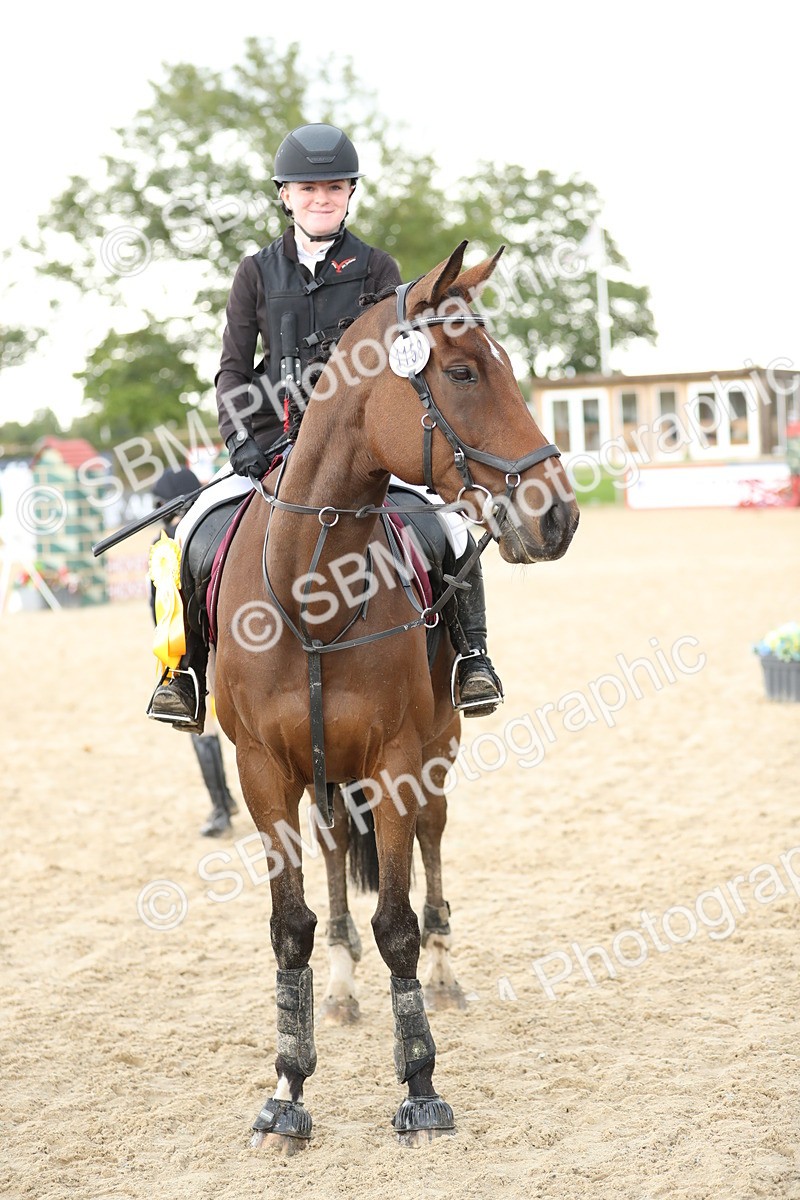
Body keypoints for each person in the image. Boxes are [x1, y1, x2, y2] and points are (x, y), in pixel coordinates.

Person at [148, 122, 503, 730]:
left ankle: (473, 657)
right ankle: (183, 675)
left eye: (334, 187)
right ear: (285, 195)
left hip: (362, 453)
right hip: (268, 449)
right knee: (186, 540)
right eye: (308, 189)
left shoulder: (377, 268)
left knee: (450, 529)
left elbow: (401, 362)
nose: (321, 198)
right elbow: (232, 370)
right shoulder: (256, 273)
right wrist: (239, 440)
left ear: (350, 193)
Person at [149, 467, 238, 836]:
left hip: (207, 650)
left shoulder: (179, 543)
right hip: (207, 646)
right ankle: (223, 801)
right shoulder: (171, 546)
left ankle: (221, 809)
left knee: (204, 730)